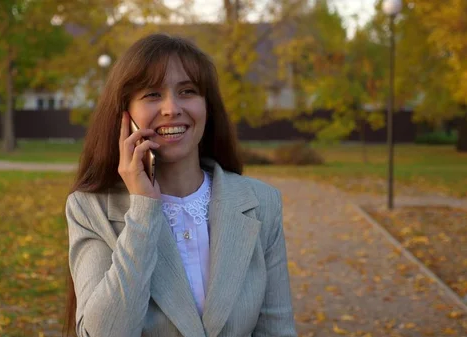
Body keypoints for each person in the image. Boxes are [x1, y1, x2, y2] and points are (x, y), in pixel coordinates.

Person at [64, 33, 296, 337]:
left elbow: (277, 330)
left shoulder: (261, 203)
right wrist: (144, 211)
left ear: (207, 107)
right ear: (125, 115)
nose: (172, 108)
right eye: (152, 94)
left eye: (187, 91)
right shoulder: (89, 208)